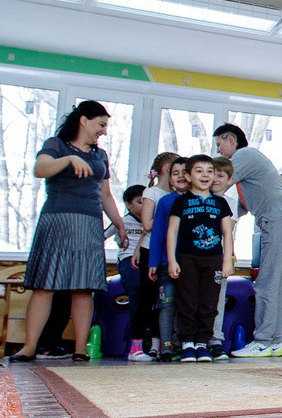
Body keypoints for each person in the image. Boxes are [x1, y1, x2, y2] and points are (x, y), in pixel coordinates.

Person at [10, 100, 128, 363]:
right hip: (57, 221)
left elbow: (105, 194)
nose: (104, 131)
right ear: (83, 120)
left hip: (88, 224)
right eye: (101, 124)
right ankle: (29, 347)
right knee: (44, 286)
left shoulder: (100, 156)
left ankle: (80, 350)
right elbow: (40, 170)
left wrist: (119, 225)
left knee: (83, 289)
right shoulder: (56, 145)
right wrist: (70, 159)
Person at [213, 123, 282, 357]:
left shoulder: (244, 155)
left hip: (279, 218)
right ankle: (274, 342)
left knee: (266, 282)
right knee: (273, 282)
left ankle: (262, 341)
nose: (219, 151)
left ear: (230, 140)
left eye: (219, 145)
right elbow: (241, 206)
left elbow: (218, 181)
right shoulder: (247, 169)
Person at [167, 155, 234, 363]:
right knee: (187, 300)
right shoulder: (181, 202)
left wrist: (227, 260)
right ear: (187, 176)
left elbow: (227, 233)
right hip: (186, 258)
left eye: (209, 171)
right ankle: (187, 343)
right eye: (199, 171)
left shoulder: (220, 203)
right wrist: (172, 260)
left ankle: (203, 343)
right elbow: (172, 232)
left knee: (209, 302)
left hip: (213, 259)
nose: (205, 175)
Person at [130, 152, 179, 360]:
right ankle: (136, 347)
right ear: (167, 168)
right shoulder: (152, 192)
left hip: (169, 251)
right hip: (152, 252)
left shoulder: (178, 195)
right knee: (147, 299)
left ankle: (158, 345)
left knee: (165, 301)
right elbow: (147, 224)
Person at [146, 156, 189, 361]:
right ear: (169, 178)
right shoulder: (165, 201)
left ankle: (185, 344)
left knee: (188, 305)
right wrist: (154, 262)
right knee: (167, 304)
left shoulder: (202, 200)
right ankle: (166, 346)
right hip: (166, 264)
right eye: (175, 173)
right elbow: (157, 234)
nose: (180, 176)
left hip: (193, 264)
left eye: (184, 172)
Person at [105, 184, 148, 360]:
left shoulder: (150, 222)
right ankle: (136, 341)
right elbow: (103, 235)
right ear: (128, 204)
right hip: (128, 260)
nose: (144, 206)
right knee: (137, 287)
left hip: (148, 259)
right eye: (139, 202)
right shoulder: (121, 222)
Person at [207, 156, 239, 360]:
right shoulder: (198, 198)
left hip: (220, 256)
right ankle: (191, 339)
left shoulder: (230, 202)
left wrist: (228, 257)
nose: (216, 179)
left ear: (229, 180)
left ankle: (215, 340)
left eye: (221, 175)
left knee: (217, 299)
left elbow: (227, 231)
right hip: (197, 255)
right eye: (213, 174)